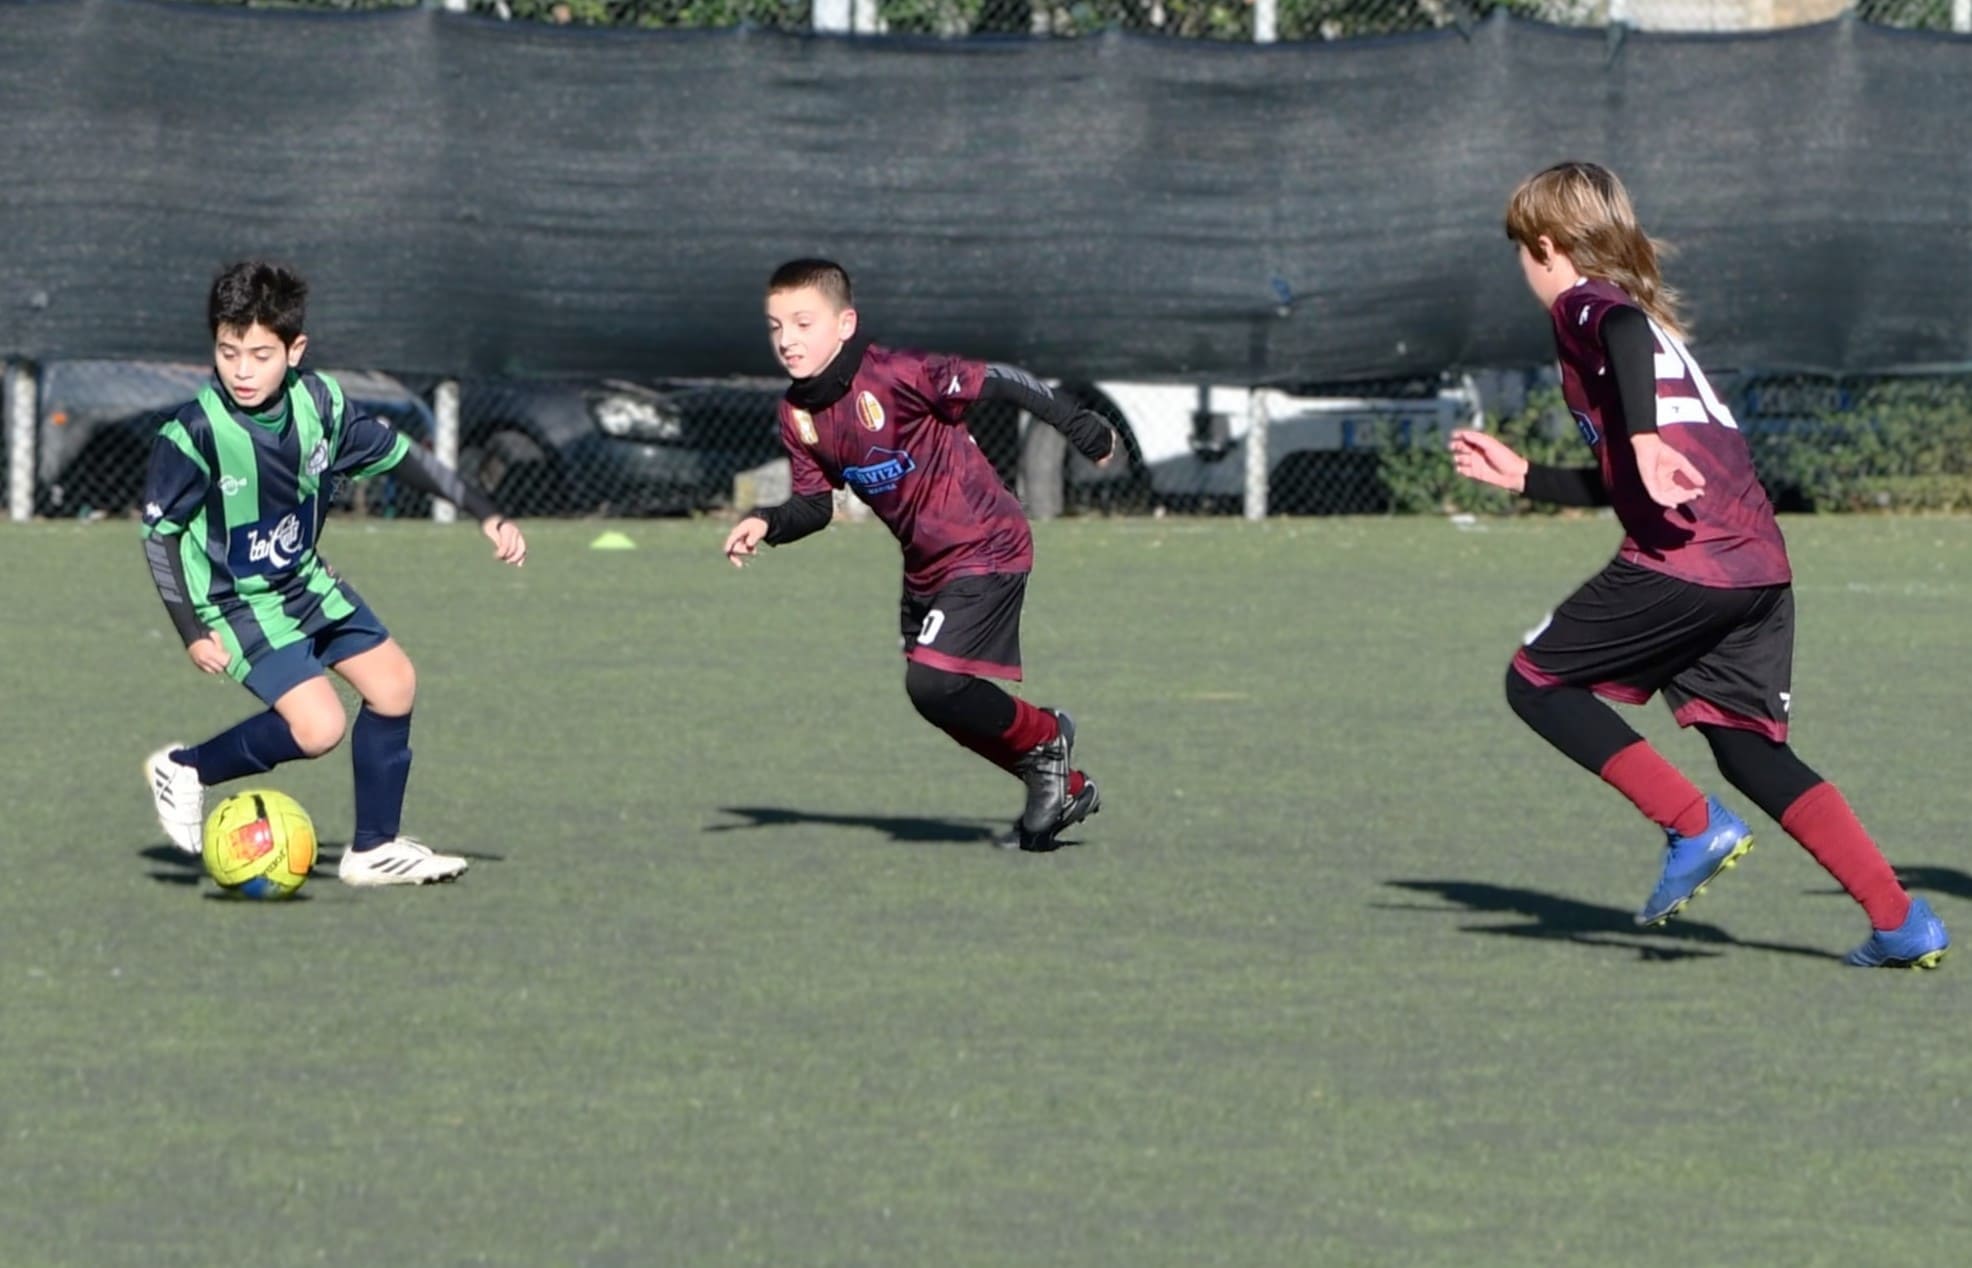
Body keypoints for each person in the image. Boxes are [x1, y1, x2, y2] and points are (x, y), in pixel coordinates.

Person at [1450, 161, 1948, 968]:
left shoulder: (1589, 308)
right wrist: (1527, 478)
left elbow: (1622, 346)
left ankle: (1693, 824)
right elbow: (1635, 476)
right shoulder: (1652, 333)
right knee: (1749, 750)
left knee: (1535, 681)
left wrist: (1644, 441)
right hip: (1757, 568)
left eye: (1521, 250)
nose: (1523, 268)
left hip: (1689, 561)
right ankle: (1901, 921)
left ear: (1546, 245)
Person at [141, 260, 528, 886]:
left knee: (395, 684)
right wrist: (191, 631)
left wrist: (485, 511)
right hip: (234, 603)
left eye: (260, 355)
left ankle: (373, 849)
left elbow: (400, 456)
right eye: (228, 352)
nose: (242, 371)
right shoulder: (194, 433)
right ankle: (186, 769)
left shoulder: (321, 404)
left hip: (304, 582)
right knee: (319, 727)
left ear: (295, 351)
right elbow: (158, 537)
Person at [723, 258, 1112, 851]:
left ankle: (1046, 739)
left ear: (845, 324)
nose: (787, 340)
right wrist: (766, 520)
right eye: (776, 326)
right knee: (938, 699)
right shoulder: (797, 414)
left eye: (803, 323)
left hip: (987, 541)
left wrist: (1082, 427)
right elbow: (814, 506)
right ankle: (1062, 782)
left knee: (933, 683)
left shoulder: (898, 373)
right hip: (926, 565)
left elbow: (1002, 379)